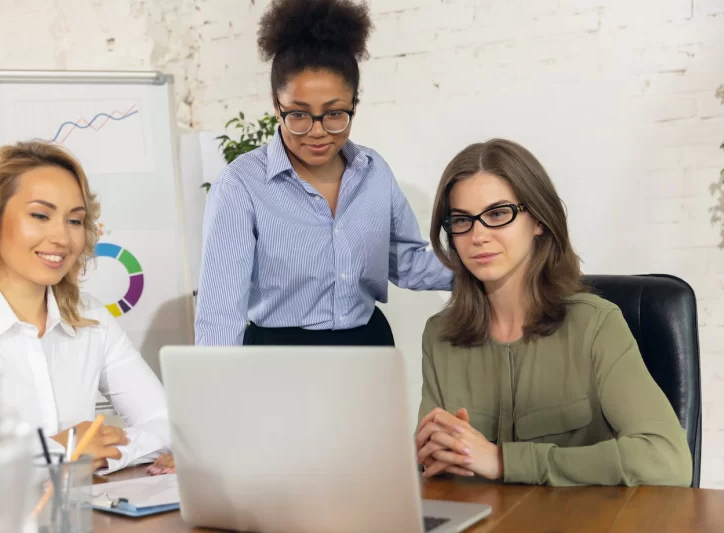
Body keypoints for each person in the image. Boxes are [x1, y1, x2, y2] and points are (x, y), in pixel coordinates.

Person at [415, 139, 692, 487]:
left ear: (539, 221)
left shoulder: (595, 324)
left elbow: (667, 460)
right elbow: (434, 467)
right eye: (461, 220)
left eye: (498, 214)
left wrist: (503, 461)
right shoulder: (440, 336)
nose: (477, 235)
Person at [194, 0, 453, 347]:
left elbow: (406, 261)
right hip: (280, 356)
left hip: (369, 347)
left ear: (354, 106)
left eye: (334, 114)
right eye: (299, 115)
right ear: (276, 105)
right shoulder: (240, 186)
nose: (317, 131)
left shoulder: (373, 172)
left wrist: (489, 265)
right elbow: (220, 313)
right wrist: (218, 390)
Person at [0, 142, 170, 473]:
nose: (62, 237)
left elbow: (165, 422)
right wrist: (58, 451)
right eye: (40, 215)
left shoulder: (90, 317)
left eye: (74, 220)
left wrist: (94, 454)